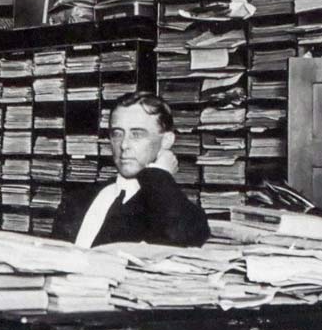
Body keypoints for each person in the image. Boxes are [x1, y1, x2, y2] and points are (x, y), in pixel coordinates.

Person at [54, 92, 209, 249]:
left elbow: (180, 235)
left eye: (137, 134)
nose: (124, 145)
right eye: (117, 134)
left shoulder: (173, 207)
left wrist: (160, 175)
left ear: (166, 141)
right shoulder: (77, 200)